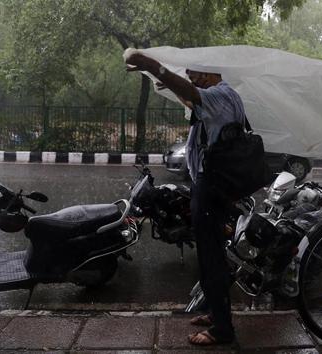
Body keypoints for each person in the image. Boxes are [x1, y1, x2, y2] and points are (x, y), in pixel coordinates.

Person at [125, 52, 245, 345]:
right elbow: (191, 101)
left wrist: (153, 66)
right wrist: (170, 86)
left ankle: (222, 330)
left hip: (212, 186)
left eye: (194, 75)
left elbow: (193, 95)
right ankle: (215, 313)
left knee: (213, 256)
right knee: (207, 254)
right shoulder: (219, 98)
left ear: (207, 74)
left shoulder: (220, 95)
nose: (192, 80)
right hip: (211, 184)